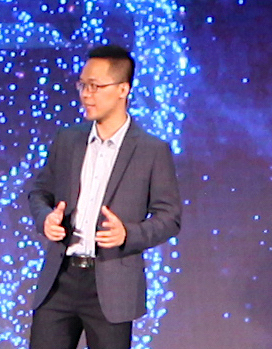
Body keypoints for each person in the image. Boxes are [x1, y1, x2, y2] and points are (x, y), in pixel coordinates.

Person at [24, 44, 183, 349]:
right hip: (59, 280)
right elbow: (39, 191)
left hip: (112, 285)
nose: (86, 94)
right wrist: (45, 219)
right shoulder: (67, 139)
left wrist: (128, 234)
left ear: (123, 89)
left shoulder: (151, 151)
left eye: (95, 86)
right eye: (82, 85)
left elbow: (169, 218)